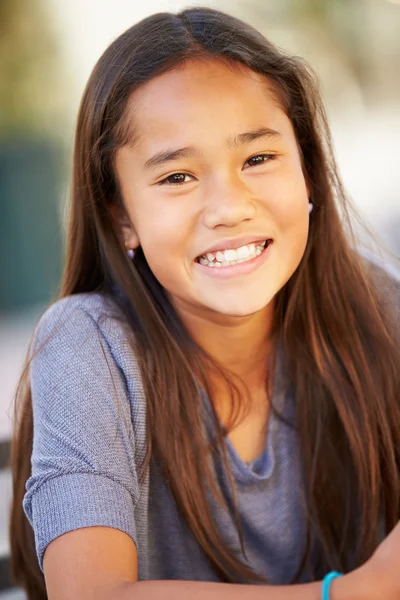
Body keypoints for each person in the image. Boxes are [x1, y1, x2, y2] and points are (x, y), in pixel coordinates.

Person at [9, 7, 400, 600]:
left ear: (310, 174)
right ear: (121, 217)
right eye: (177, 178)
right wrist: (349, 593)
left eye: (258, 159)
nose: (228, 206)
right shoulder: (88, 347)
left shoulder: (374, 305)